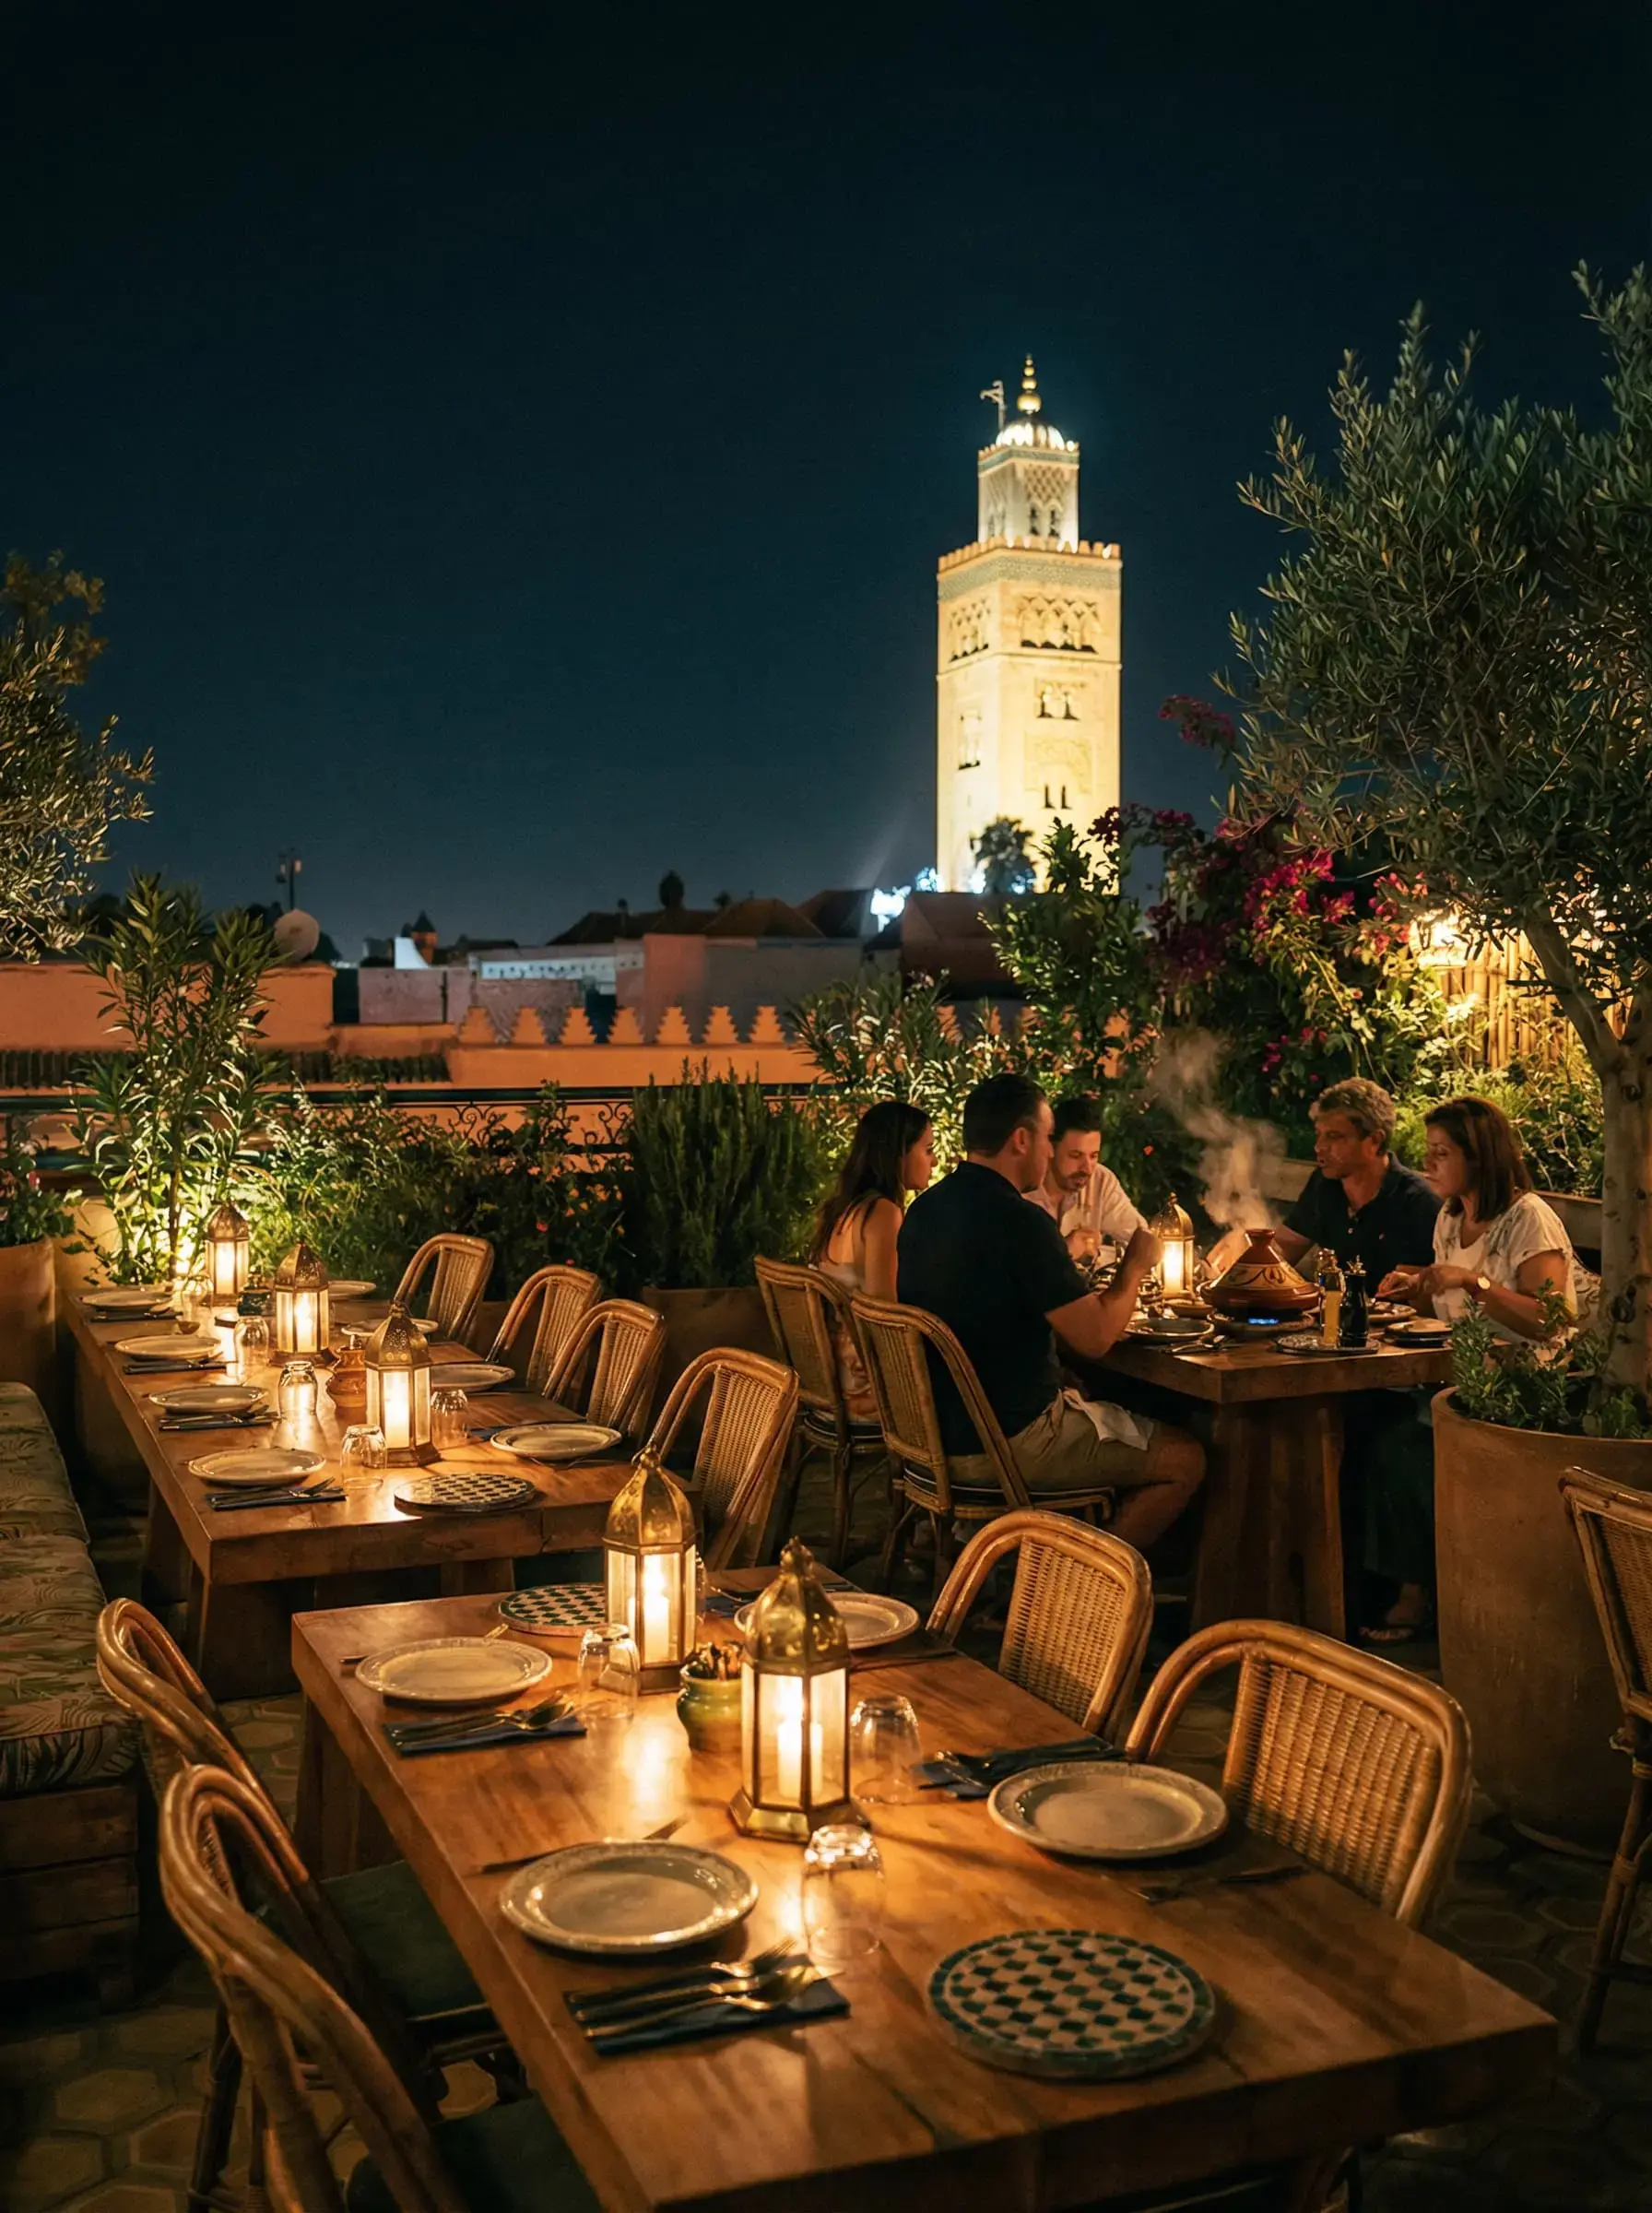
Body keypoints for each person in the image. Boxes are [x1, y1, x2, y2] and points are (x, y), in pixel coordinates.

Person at [896, 1071, 1204, 1551]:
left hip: (931, 1435)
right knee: (1186, 1459)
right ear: (1021, 1139)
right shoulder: (1021, 1222)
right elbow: (1097, 1338)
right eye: (1046, 1137)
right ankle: (1082, 1593)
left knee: (1093, 1396)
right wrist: (1136, 1266)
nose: (1047, 1150)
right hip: (1007, 1442)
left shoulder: (926, 1209)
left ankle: (1044, 1565)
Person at [1363, 1095, 1578, 1644]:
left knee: (1405, 1443)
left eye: (1441, 1153)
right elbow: (1447, 1313)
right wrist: (1415, 1291)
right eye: (1429, 1152)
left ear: (1477, 1156)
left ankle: (1422, 1595)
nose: (1429, 1164)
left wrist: (1474, 1284)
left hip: (1524, 1386)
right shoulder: (1451, 1216)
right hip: (1458, 1378)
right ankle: (1382, 1583)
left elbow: (1552, 1319)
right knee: (1370, 1420)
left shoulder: (1528, 1219)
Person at [1206, 1078, 1439, 1284]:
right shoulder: (1325, 1185)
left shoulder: (1416, 1202)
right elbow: (1280, 1253)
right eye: (1319, 1134)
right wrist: (1240, 1254)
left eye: (1334, 1137)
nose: (1319, 1147)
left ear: (1374, 1141)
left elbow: (1409, 1300)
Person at [811, 1101, 937, 1420]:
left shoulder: (843, 1209)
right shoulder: (882, 1213)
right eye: (927, 1150)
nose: (934, 1161)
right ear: (899, 1155)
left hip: (829, 1384)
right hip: (863, 1390)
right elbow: (885, 1315)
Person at [1026, 1092, 1146, 1260]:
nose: (1087, 1168)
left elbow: (1142, 1240)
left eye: (1094, 1155)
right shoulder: (1024, 1186)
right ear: (1051, 1148)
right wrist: (1064, 1251)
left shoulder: (1101, 1180)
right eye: (1075, 1156)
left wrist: (1098, 1252)